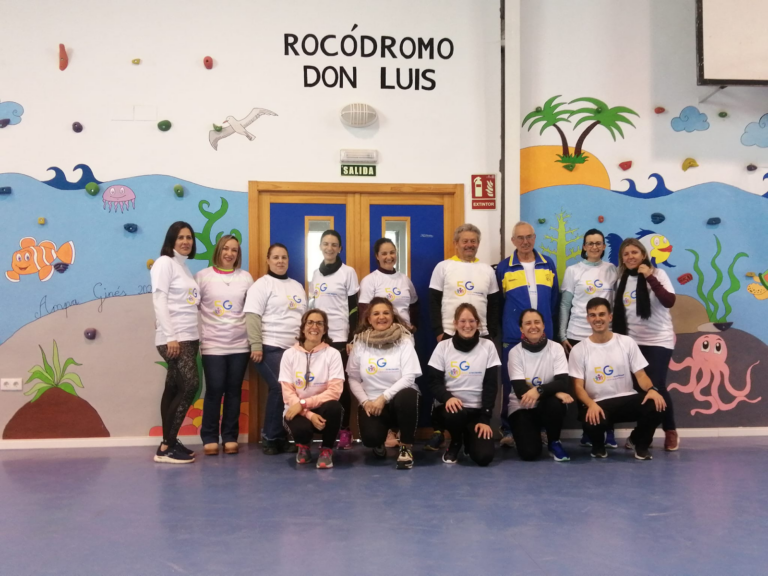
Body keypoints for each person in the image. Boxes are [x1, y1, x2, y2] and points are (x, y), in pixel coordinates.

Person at [427, 223, 500, 450]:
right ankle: (441, 431)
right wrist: (439, 331)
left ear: (478, 244)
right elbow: (433, 300)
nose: (469, 245)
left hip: (480, 334)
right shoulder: (443, 267)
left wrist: (492, 332)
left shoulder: (487, 270)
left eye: (473, 241)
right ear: (456, 243)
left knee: (478, 381)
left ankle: (475, 427)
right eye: (465, 241)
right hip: (450, 335)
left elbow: (495, 303)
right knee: (446, 384)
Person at [568, 297, 666, 460]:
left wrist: (652, 390)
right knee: (591, 420)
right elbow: (578, 387)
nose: (597, 319)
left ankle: (638, 443)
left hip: (626, 398)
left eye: (601, 314)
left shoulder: (626, 342)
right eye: (592, 315)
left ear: (610, 317)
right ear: (587, 319)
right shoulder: (579, 350)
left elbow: (641, 375)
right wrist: (591, 404)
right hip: (598, 404)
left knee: (657, 404)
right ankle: (598, 446)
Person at [496, 221, 559, 447]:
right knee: (510, 383)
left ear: (534, 238)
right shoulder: (504, 267)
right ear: (513, 241)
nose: (525, 242)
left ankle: (541, 427)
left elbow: (554, 301)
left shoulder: (548, 264)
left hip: (543, 334)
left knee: (544, 379)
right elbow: (499, 303)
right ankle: (508, 428)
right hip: (513, 336)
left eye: (529, 237)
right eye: (520, 238)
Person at [612, 237, 679, 451]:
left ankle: (668, 431)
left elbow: (669, 301)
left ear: (643, 254)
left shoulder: (658, 274)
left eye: (634, 252)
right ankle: (642, 435)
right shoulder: (620, 277)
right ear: (622, 259)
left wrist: (650, 277)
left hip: (659, 339)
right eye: (626, 253)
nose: (630, 256)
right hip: (631, 342)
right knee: (640, 390)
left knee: (656, 385)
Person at [244, 243, 307, 455]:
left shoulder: (297, 286)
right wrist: (256, 345)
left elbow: (304, 318)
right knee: (280, 387)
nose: (280, 261)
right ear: (268, 260)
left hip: (294, 350)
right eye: (276, 257)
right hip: (268, 347)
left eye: (284, 257)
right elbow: (252, 316)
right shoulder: (262, 285)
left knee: (290, 390)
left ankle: (280, 436)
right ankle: (270, 437)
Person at [558, 229, 618, 448]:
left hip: (604, 336)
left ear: (604, 247)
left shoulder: (613, 270)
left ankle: (608, 430)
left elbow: (617, 305)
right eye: (590, 243)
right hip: (577, 335)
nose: (594, 247)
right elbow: (565, 304)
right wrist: (562, 334)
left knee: (607, 383)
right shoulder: (573, 271)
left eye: (598, 243)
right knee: (581, 385)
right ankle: (589, 430)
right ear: (584, 247)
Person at [359, 237, 420, 448]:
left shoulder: (405, 280)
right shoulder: (370, 280)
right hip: (376, 340)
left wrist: (412, 327)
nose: (388, 257)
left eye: (392, 252)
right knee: (380, 378)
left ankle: (402, 432)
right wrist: (362, 340)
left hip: (403, 339)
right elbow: (363, 313)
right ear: (377, 256)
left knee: (405, 385)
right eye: (384, 253)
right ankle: (386, 431)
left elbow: (414, 305)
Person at [195, 235, 254, 456]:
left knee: (234, 392)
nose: (230, 253)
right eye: (226, 249)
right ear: (218, 250)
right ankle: (209, 437)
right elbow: (191, 307)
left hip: (240, 345)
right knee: (214, 390)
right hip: (212, 346)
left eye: (235, 250)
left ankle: (230, 436)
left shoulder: (246, 278)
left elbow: (252, 310)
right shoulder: (202, 277)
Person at [348, 297, 421, 469]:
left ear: (393, 316)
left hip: (398, 400)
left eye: (386, 313)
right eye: (376, 313)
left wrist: (384, 397)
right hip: (372, 402)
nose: (381, 317)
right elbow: (353, 378)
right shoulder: (360, 342)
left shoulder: (404, 340)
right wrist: (365, 402)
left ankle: (406, 447)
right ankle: (381, 437)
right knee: (371, 439)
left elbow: (409, 377)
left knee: (409, 395)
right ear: (369, 319)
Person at [150, 221, 201, 464]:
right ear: (171, 240)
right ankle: (167, 446)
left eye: (189, 237)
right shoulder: (164, 263)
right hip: (175, 339)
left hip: (188, 337)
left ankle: (169, 440)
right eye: (180, 237)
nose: (185, 241)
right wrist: (170, 336)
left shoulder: (183, 267)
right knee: (190, 385)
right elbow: (159, 298)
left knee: (173, 389)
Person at [428, 303, 499, 466]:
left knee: (484, 457)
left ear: (478, 323)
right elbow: (433, 381)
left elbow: (491, 385)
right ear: (455, 323)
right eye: (462, 321)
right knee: (455, 412)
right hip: (450, 410)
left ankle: (469, 439)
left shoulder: (488, 346)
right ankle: (455, 442)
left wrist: (485, 419)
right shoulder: (443, 347)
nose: (467, 325)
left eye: (472, 321)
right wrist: (447, 397)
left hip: (476, 411)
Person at [309, 230, 360, 450]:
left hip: (340, 338)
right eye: (326, 244)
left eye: (334, 245)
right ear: (320, 246)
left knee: (341, 387)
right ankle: (324, 429)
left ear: (340, 249)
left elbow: (354, 308)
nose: (330, 248)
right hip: (320, 338)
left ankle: (345, 431)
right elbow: (313, 307)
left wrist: (351, 337)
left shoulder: (348, 272)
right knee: (320, 385)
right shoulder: (316, 274)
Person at [279, 309, 344, 469]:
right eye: (310, 322)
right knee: (301, 428)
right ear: (303, 327)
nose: (314, 327)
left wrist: (303, 404)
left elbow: (334, 391)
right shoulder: (289, 354)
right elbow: (287, 392)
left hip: (319, 408)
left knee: (335, 407)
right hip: (297, 409)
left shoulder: (333, 354)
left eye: (319, 323)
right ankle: (303, 447)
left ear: (325, 329)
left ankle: (327, 450)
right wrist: (307, 413)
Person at [508, 309, 573, 462]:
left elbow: (563, 382)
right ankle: (530, 434)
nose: (533, 326)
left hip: (546, 405)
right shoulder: (515, 353)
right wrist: (554, 391)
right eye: (528, 323)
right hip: (522, 407)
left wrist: (540, 390)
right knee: (529, 454)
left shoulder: (556, 348)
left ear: (544, 325)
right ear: (521, 328)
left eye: (537, 322)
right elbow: (520, 391)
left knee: (556, 403)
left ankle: (553, 442)